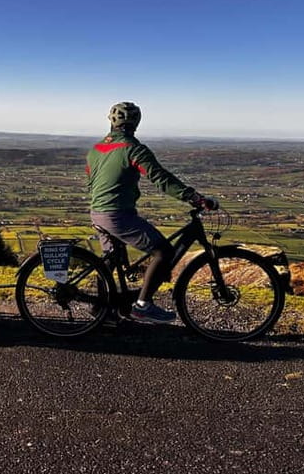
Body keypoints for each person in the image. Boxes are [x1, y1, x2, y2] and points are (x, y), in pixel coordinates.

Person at [85, 102, 217, 323]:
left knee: (109, 261)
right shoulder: (133, 149)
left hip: (97, 212)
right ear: (136, 122)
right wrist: (194, 198)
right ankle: (143, 306)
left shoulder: (95, 149)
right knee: (163, 252)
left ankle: (103, 310)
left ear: (111, 121)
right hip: (118, 215)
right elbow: (161, 179)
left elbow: (92, 181)